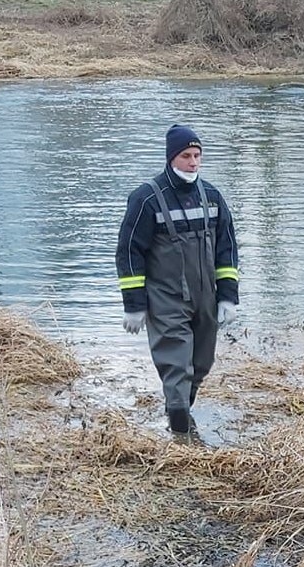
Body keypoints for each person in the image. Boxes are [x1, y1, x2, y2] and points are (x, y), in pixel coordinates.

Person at [116, 124, 240, 441]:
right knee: (177, 367)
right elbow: (129, 253)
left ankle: (180, 412)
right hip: (165, 299)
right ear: (172, 157)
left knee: (200, 364)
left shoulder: (212, 197)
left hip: (205, 299)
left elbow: (227, 248)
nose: (194, 163)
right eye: (186, 156)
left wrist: (227, 297)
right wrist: (134, 305)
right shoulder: (146, 200)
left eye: (198, 156)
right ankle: (183, 440)